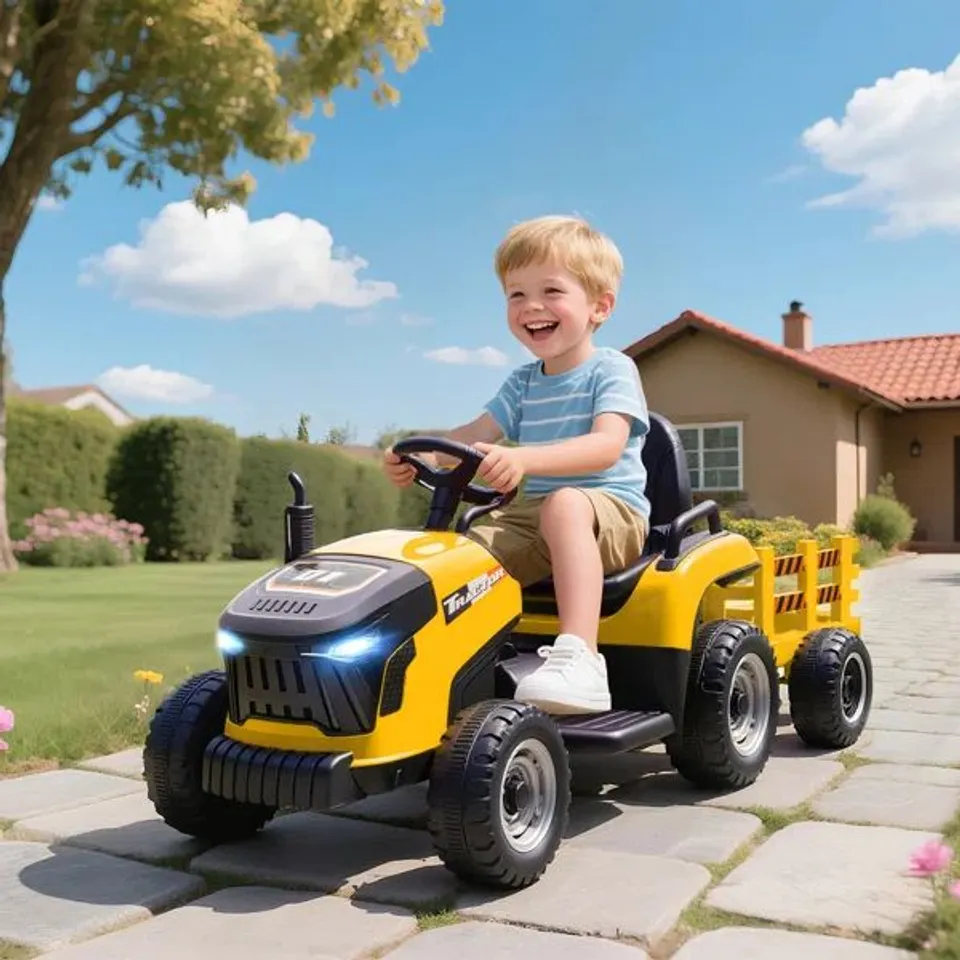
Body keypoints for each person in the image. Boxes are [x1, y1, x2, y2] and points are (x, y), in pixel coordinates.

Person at [383, 215, 650, 715]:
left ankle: (581, 658)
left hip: (610, 515)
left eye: (551, 290)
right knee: (460, 557)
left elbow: (606, 447)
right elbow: (472, 436)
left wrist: (523, 458)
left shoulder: (612, 369)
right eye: (516, 295)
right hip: (531, 519)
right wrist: (420, 452)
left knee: (565, 505)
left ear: (600, 306)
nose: (532, 307)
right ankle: (449, 668)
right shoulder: (524, 383)